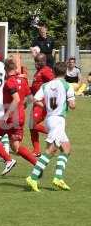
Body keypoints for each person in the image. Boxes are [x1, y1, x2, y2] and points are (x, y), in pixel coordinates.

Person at [26, 62, 76, 192]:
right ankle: (32, 177)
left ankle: (58, 178)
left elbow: (36, 99)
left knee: (66, 148)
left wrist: (46, 107)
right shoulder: (67, 85)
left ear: (53, 72)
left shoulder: (45, 85)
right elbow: (72, 105)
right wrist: (71, 101)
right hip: (58, 120)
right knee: (51, 150)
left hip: (49, 119)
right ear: (65, 72)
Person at [0, 58, 37, 175]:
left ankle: (8, 160)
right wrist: (22, 106)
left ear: (6, 69)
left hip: (10, 118)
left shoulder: (9, 82)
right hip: (20, 118)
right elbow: (30, 99)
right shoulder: (23, 80)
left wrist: (7, 114)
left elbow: (16, 99)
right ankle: (37, 164)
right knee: (16, 147)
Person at [29, 53, 55, 156]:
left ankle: (54, 133)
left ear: (43, 62)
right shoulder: (38, 72)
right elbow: (35, 86)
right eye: (35, 61)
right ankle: (36, 151)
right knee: (32, 126)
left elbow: (54, 83)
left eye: (37, 61)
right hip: (36, 101)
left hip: (42, 102)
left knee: (33, 124)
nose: (35, 63)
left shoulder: (46, 71)